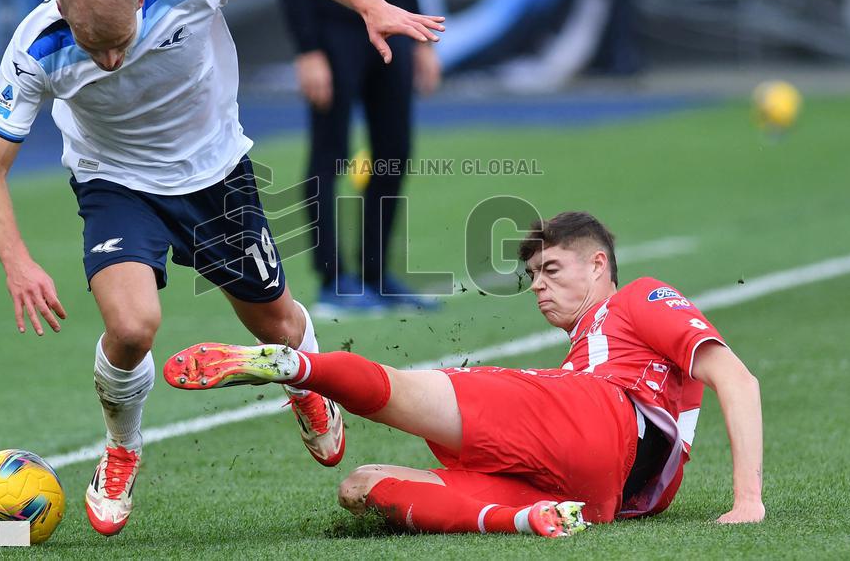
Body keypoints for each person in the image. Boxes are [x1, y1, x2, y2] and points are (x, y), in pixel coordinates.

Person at [0, 0, 443, 536]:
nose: (111, 60)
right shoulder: (36, 46)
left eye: (121, 41)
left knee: (280, 328)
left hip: (216, 175)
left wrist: (370, 6)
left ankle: (304, 381)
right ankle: (122, 448)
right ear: (64, 17)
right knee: (132, 326)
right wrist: (16, 263)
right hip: (116, 183)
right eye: (97, 49)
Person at [164, 211, 765, 535]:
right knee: (363, 485)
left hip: (607, 419)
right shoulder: (584, 352)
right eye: (533, 277)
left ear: (599, 264)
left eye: (552, 269)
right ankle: (525, 521)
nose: (540, 288)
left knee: (415, 388)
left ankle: (299, 366)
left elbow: (737, 379)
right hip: (600, 496)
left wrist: (747, 500)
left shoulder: (638, 296)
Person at [278, 0, 442, 315]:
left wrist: (419, 34)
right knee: (329, 154)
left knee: (394, 150)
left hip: (389, 30)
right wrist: (308, 49)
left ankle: (375, 275)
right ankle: (333, 280)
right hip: (333, 35)